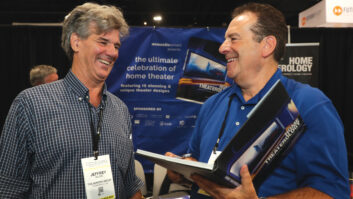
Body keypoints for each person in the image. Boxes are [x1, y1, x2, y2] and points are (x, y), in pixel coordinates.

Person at [167, 3, 349, 199]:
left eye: (233, 39)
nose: (222, 48)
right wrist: (183, 170)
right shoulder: (212, 105)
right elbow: (196, 158)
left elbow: (332, 192)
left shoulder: (309, 105)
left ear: (267, 46)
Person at [0, 3, 143, 198]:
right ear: (76, 42)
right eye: (103, 42)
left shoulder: (120, 110)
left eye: (116, 45)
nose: (112, 52)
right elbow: (9, 189)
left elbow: (129, 185)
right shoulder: (30, 105)